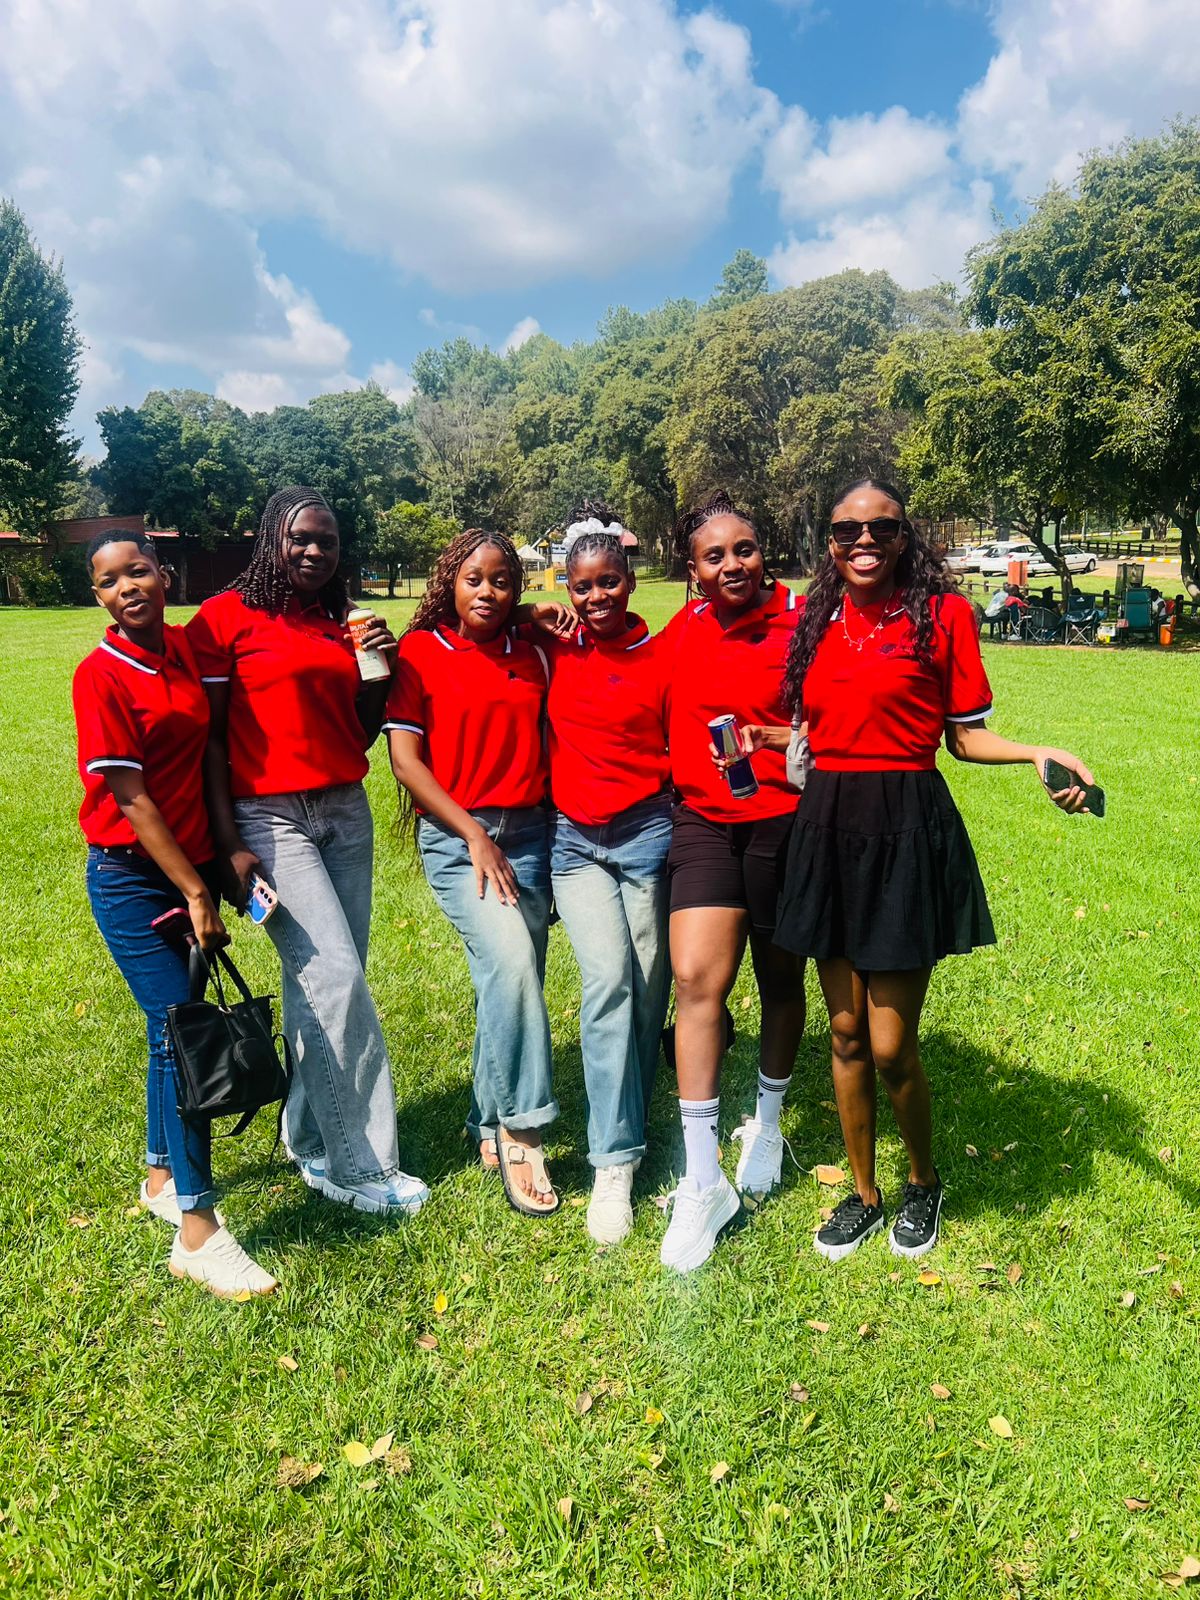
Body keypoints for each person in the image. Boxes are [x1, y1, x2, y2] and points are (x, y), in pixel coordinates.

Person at [763, 477, 1094, 1262]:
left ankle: (922, 1182)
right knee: (845, 1032)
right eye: (846, 531)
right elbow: (809, 726)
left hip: (906, 828)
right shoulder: (813, 618)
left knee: (889, 1044)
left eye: (881, 529)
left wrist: (1035, 753)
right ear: (829, 542)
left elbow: (964, 736)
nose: (863, 542)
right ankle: (864, 1193)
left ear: (905, 536)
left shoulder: (941, 615)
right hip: (827, 827)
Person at [187, 487, 428, 1217]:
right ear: (272, 539)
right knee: (336, 982)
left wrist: (376, 667)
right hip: (268, 819)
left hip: (345, 810)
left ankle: (309, 1137)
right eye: (301, 539)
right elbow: (210, 741)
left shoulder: (337, 619)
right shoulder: (224, 618)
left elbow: (356, 731)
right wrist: (227, 845)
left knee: (320, 985)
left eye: (327, 541)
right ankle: (361, 1167)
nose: (315, 551)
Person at [73, 529, 276, 1297]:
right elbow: (131, 798)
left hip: (188, 869)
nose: (127, 587)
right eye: (109, 580)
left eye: (138, 571)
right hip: (132, 878)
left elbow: (251, 607)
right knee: (186, 1037)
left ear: (163, 575)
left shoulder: (185, 649)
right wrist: (194, 891)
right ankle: (198, 1231)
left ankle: (161, 1176)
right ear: (97, 595)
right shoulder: (100, 675)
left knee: (172, 1030)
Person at [386, 529, 560, 1217]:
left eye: (502, 580)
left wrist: (535, 617)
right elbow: (406, 764)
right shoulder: (419, 652)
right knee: (512, 965)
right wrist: (474, 835)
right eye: (474, 579)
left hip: (533, 834)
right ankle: (523, 1130)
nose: (488, 591)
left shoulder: (533, 649)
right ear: (449, 584)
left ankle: (485, 1119)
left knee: (510, 979)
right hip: (461, 841)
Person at [656, 491, 807, 1273]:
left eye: (743, 549)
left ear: (763, 551)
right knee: (695, 980)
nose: (732, 565)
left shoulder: (803, 623)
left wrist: (778, 739)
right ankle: (702, 1178)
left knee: (781, 979)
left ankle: (769, 1124)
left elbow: (839, 721)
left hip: (786, 821)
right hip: (705, 823)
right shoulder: (684, 628)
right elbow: (613, 657)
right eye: (714, 556)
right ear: (693, 571)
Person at [527, 508, 672, 1245]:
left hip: (648, 834)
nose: (595, 598)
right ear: (567, 588)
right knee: (608, 981)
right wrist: (534, 612)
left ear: (630, 580)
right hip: (575, 843)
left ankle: (634, 1111)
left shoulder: (661, 655)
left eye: (608, 582)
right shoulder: (555, 646)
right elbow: (480, 610)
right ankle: (615, 1162)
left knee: (648, 989)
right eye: (581, 587)